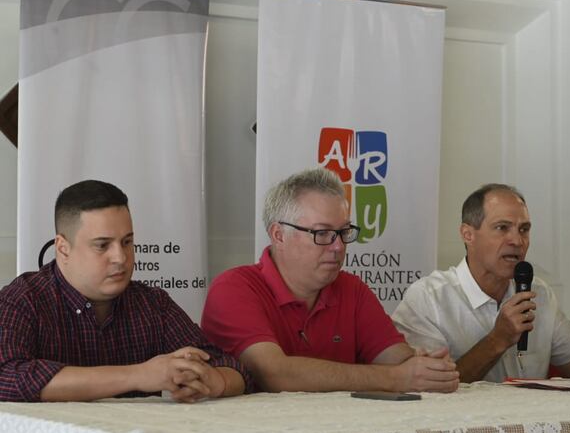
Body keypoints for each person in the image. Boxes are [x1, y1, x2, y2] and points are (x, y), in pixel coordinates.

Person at [201, 168, 459, 393]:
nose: (338, 247)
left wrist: (428, 367)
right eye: (323, 233)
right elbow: (274, 374)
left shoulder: (351, 289)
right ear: (279, 235)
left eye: (343, 232)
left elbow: (398, 360)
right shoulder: (234, 288)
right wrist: (394, 379)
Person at [0, 180, 249, 402]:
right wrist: (139, 375)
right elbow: (7, 376)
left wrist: (215, 382)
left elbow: (230, 367)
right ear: (63, 248)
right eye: (102, 245)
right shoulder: (23, 299)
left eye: (127, 242)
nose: (120, 257)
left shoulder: (152, 304)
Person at [391, 184, 570, 382]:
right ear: (468, 234)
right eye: (502, 228)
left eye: (524, 230)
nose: (517, 241)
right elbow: (429, 386)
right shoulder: (429, 299)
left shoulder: (539, 293)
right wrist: (498, 340)